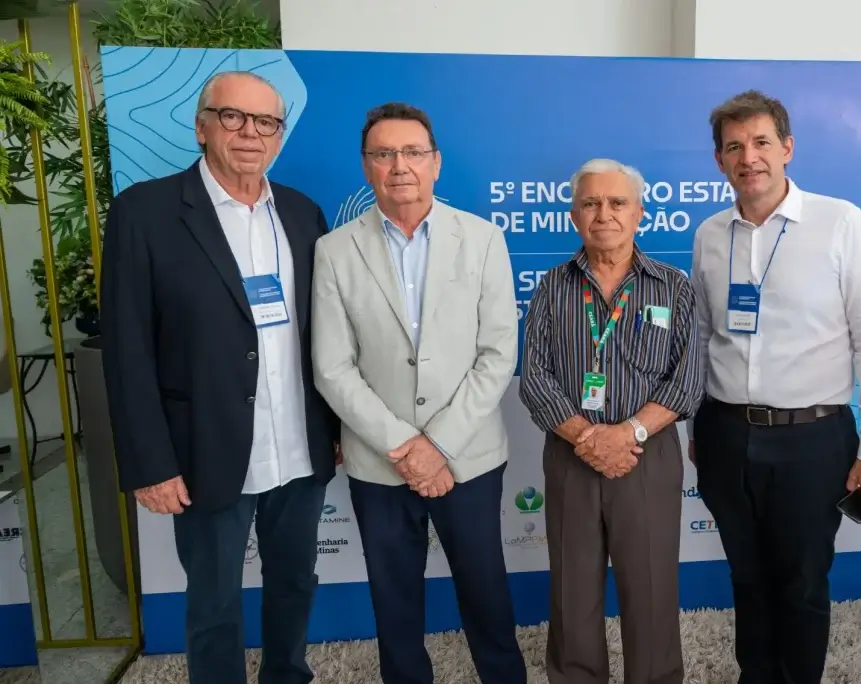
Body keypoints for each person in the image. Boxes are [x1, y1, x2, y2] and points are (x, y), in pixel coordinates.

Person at [100, 71, 341, 684]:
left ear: (280, 135)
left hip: (298, 445)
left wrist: (335, 428)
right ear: (202, 124)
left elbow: (326, 334)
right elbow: (126, 349)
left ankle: (288, 674)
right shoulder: (146, 212)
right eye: (233, 116)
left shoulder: (302, 211)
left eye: (266, 122)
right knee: (213, 599)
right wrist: (149, 461)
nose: (250, 133)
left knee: (295, 581)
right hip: (205, 447)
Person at [687, 90, 861, 684]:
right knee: (747, 578)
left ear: (787, 148)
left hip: (813, 438)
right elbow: (701, 338)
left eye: (760, 142)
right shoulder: (710, 235)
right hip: (726, 434)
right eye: (734, 146)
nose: (748, 157)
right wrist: (696, 426)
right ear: (719, 161)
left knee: (803, 583)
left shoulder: (840, 222)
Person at [310, 101, 527, 684]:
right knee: (394, 599)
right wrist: (406, 447)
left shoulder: (482, 239)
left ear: (435, 163)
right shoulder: (334, 251)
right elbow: (333, 367)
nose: (398, 165)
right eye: (383, 154)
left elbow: (498, 352)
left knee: (485, 591)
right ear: (366, 166)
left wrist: (440, 446)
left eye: (412, 152)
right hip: (379, 462)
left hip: (469, 455)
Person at [519, 158, 705, 684]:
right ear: (575, 215)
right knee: (572, 592)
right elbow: (534, 378)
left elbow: (686, 380)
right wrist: (587, 438)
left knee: (650, 591)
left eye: (617, 202)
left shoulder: (674, 288)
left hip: (648, 455)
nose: (605, 214)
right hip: (571, 453)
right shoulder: (552, 286)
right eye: (591, 203)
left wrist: (627, 434)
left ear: (639, 213)